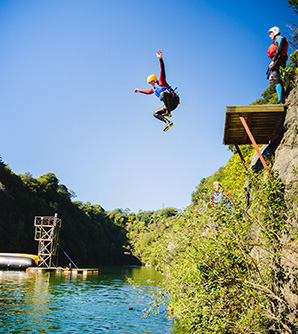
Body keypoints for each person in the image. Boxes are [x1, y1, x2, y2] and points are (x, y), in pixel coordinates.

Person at [134, 50, 180, 132]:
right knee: (155, 113)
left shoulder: (161, 81)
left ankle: (168, 112)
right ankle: (168, 122)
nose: (151, 84)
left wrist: (160, 59)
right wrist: (139, 90)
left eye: (151, 82)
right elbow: (148, 92)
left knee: (162, 94)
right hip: (170, 106)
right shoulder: (154, 89)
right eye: (150, 83)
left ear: (154, 80)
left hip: (174, 99)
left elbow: (162, 70)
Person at [267, 26, 288, 104]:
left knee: (277, 80)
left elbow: (279, 50)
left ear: (274, 32)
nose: (270, 36)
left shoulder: (279, 38)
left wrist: (273, 61)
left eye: (270, 34)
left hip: (279, 61)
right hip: (278, 62)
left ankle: (281, 100)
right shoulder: (278, 40)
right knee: (276, 80)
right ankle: (281, 99)